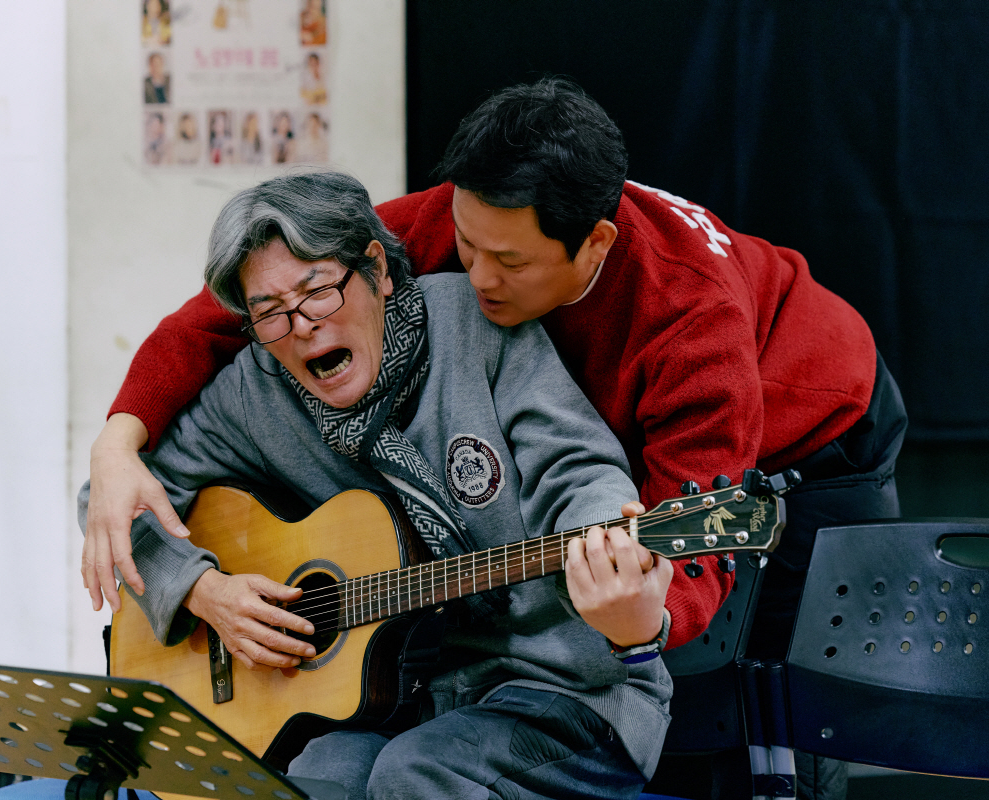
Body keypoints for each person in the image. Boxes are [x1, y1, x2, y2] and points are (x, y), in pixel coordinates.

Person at [87, 79, 906, 797]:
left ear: (593, 243)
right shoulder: (467, 229)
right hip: (511, 589)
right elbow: (226, 309)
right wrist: (118, 447)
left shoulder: (692, 323)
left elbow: (673, 530)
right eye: (465, 246)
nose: (473, 278)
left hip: (813, 435)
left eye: (504, 262)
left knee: (776, 711)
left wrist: (644, 611)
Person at [73, 172, 674, 800]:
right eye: (269, 314)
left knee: (413, 774)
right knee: (316, 778)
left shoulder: (475, 327)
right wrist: (203, 589)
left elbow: (574, 470)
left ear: (378, 270)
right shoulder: (258, 392)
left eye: (319, 292)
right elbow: (114, 497)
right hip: (414, 699)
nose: (300, 326)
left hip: (569, 690)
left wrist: (612, 546)